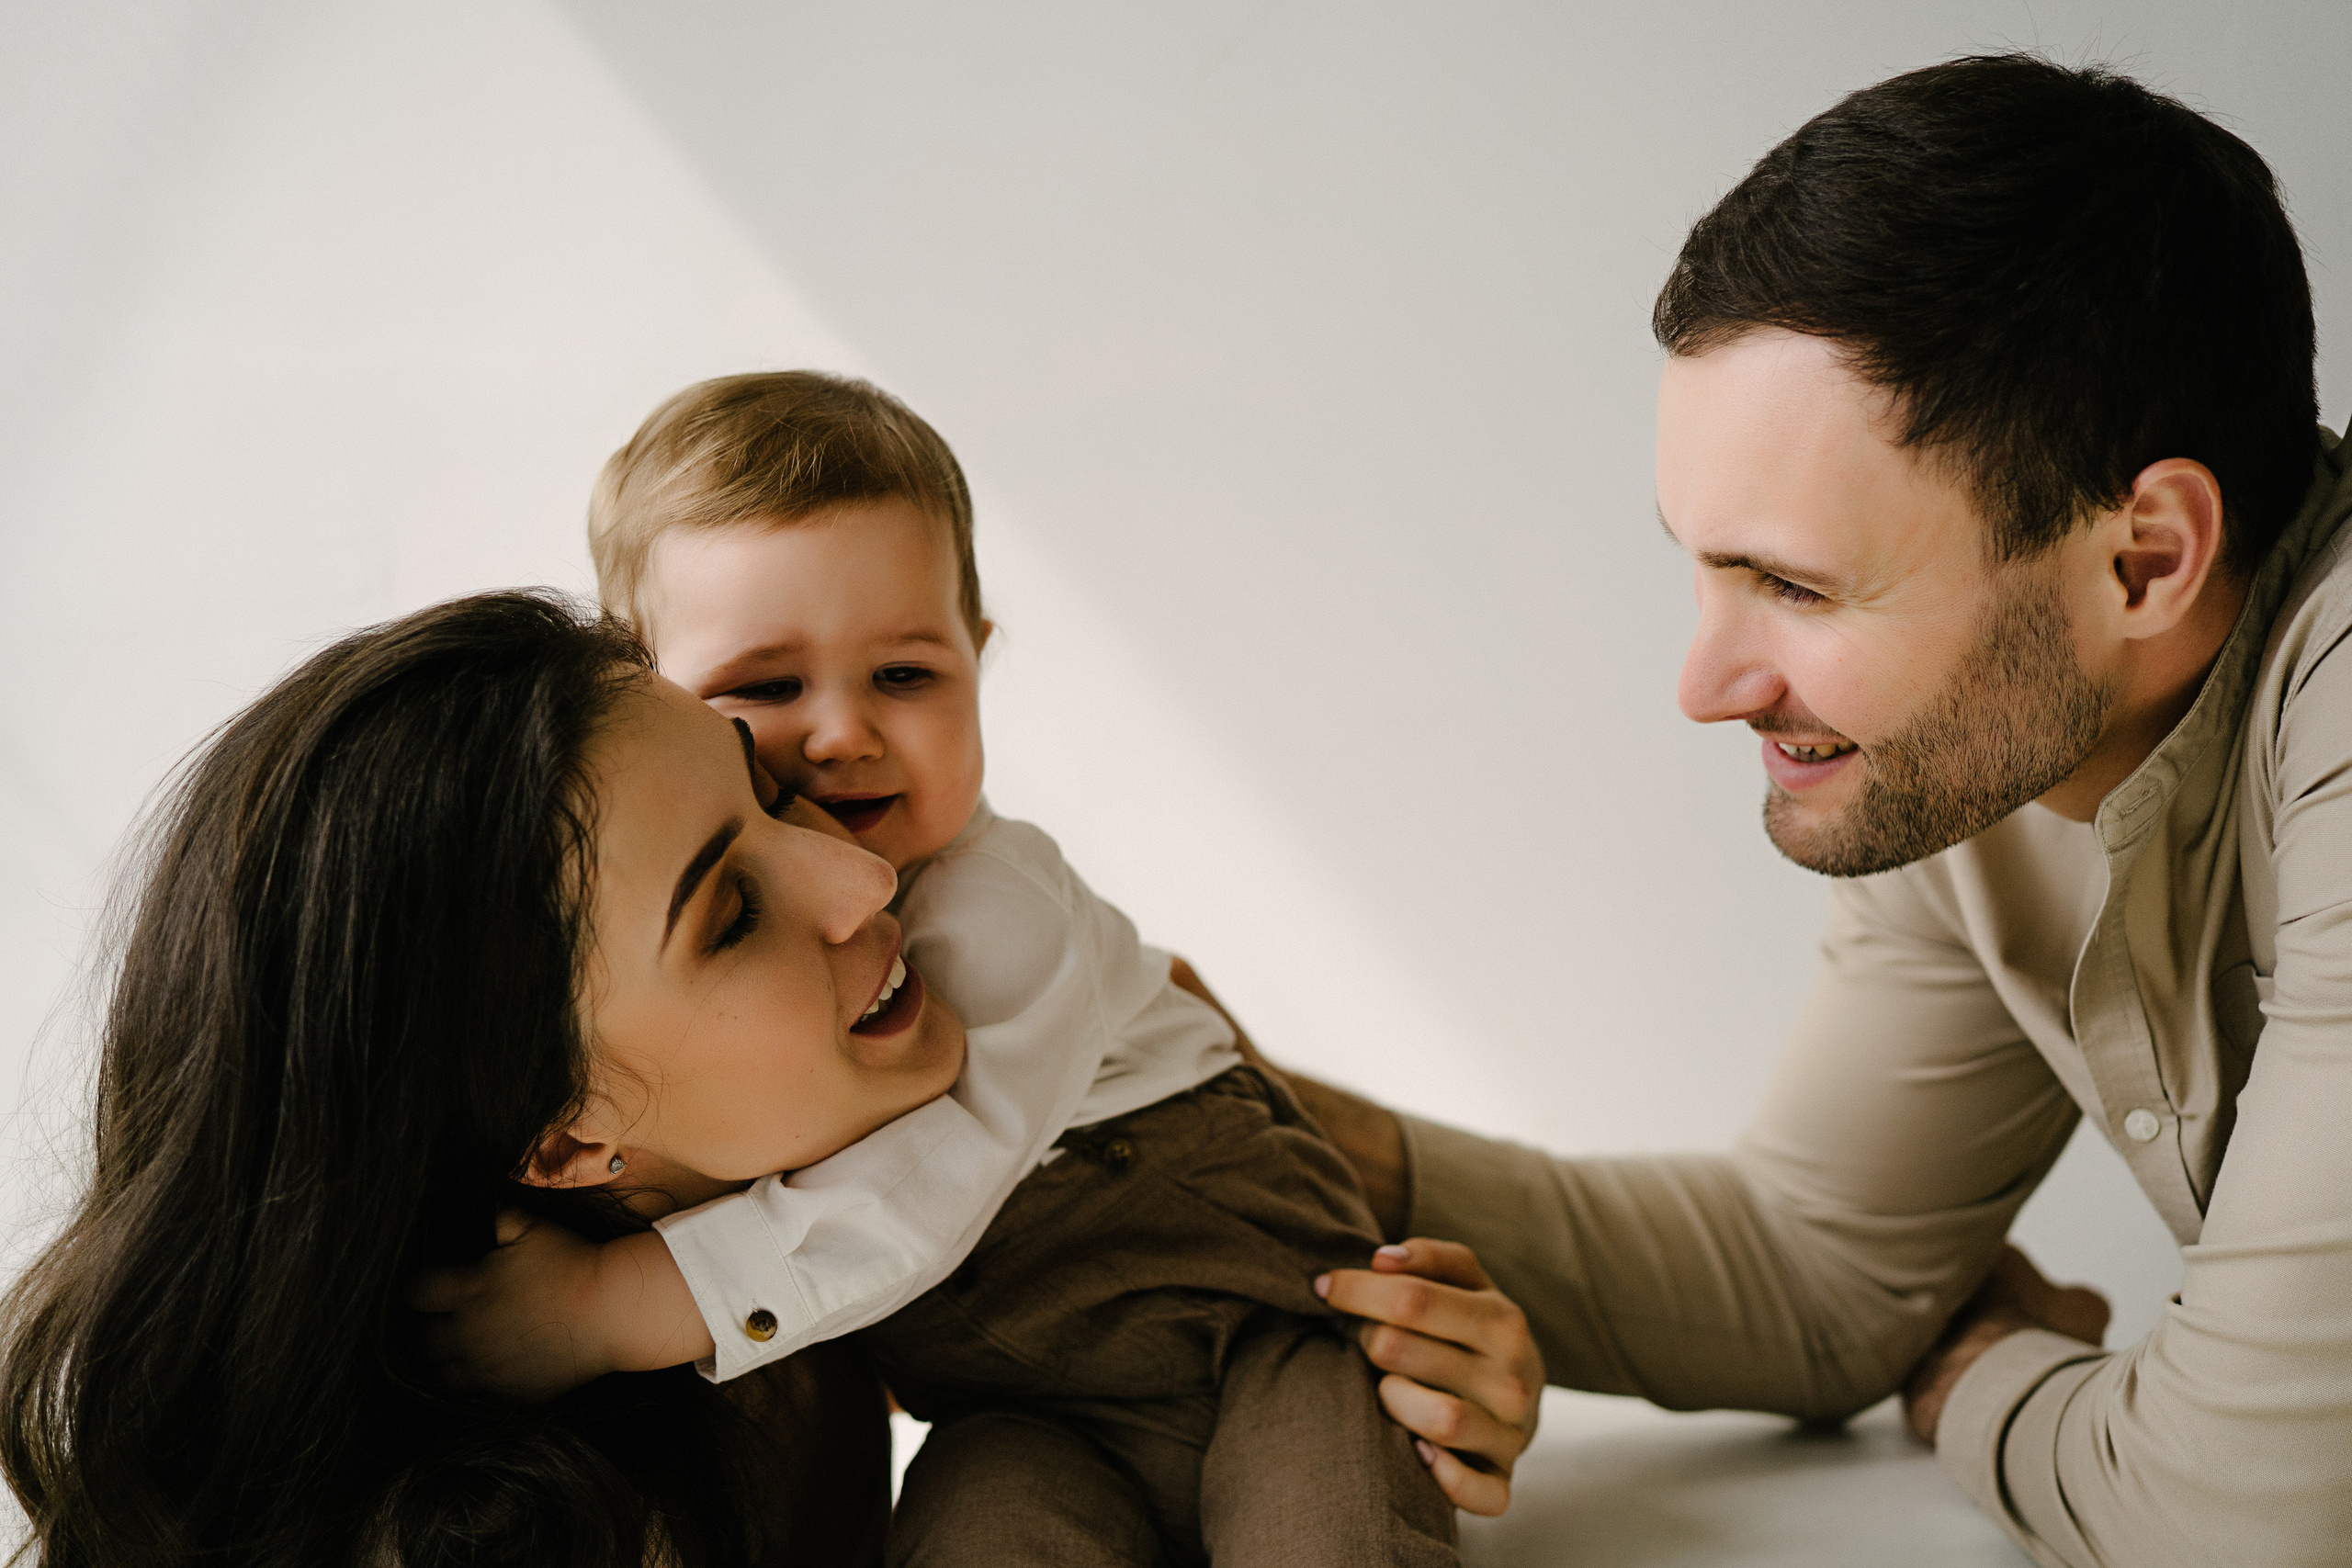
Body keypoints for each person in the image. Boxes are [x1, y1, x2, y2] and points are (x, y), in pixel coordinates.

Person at [1313, 51, 2352, 1568]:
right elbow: (1820, 1272)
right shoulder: (1992, 744)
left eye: (1794, 585)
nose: (1707, 682)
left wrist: (1976, 1371)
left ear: (2145, 557)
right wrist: (1300, 1138)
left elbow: (2235, 1521)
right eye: (1706, 565)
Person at [415, 373, 1460, 1566]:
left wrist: (601, 1309)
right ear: (645, 694)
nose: (845, 731)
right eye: (766, 685)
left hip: (1264, 1328)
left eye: (905, 674)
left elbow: (922, 1188)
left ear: (980, 657)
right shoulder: (611, 1007)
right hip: (1027, 1408)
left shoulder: (1003, 908)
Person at [0, 592, 897, 1567]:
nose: (867, 879)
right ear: (564, 1144)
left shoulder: (789, 1280)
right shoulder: (525, 1536)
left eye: (767, 789)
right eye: (730, 917)